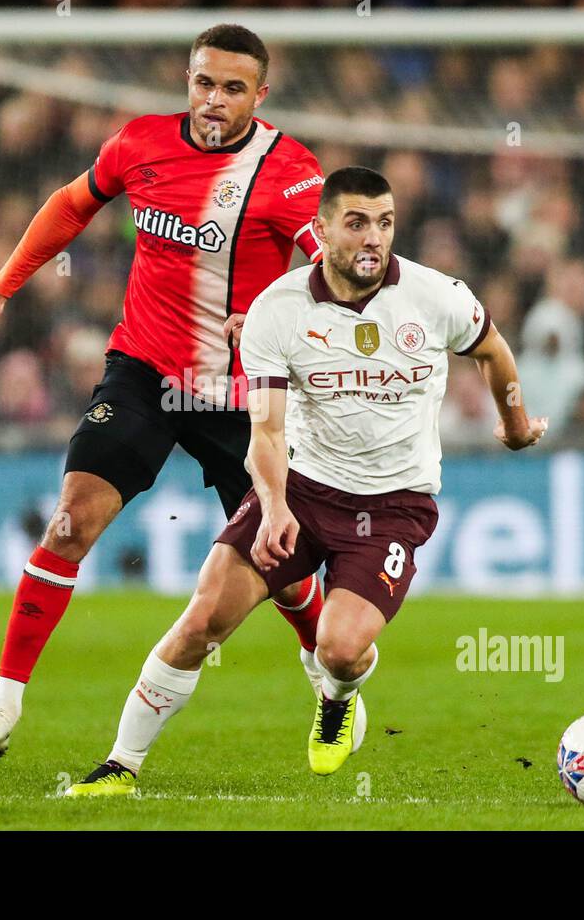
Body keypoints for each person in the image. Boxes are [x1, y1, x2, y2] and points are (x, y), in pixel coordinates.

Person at [65, 167, 547, 795]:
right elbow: (264, 431)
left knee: (339, 650)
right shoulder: (277, 310)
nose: (373, 238)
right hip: (304, 491)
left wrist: (512, 425)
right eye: (356, 223)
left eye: (385, 222)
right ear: (320, 230)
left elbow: (494, 352)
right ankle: (119, 766)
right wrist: (272, 506)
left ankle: (338, 698)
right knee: (203, 619)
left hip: (394, 505)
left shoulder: (437, 296)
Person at [0, 25, 337, 760]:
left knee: (283, 572)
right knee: (69, 523)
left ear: (261, 94)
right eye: (202, 82)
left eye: (232, 88)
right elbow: (69, 205)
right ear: (187, 80)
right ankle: (1, 708)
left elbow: (338, 277)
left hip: (241, 394)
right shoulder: (140, 144)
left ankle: (329, 675)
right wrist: (0, 292)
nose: (213, 100)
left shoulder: (287, 172)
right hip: (145, 372)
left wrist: (280, 310)